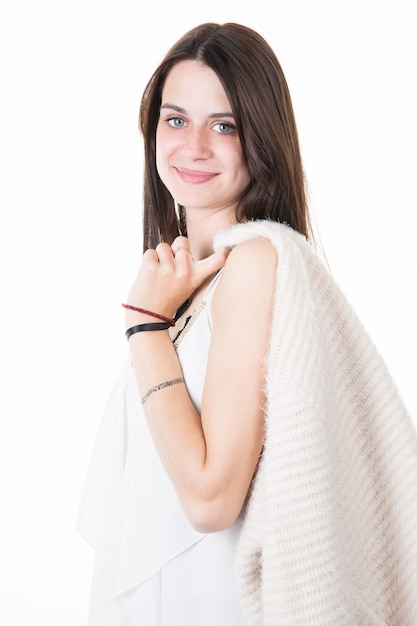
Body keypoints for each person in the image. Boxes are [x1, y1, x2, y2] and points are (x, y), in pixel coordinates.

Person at [78, 22, 417, 626]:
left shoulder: (257, 260)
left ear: (262, 137)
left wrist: (145, 329)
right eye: (176, 119)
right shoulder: (189, 292)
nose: (194, 146)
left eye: (225, 125)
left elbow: (211, 501)